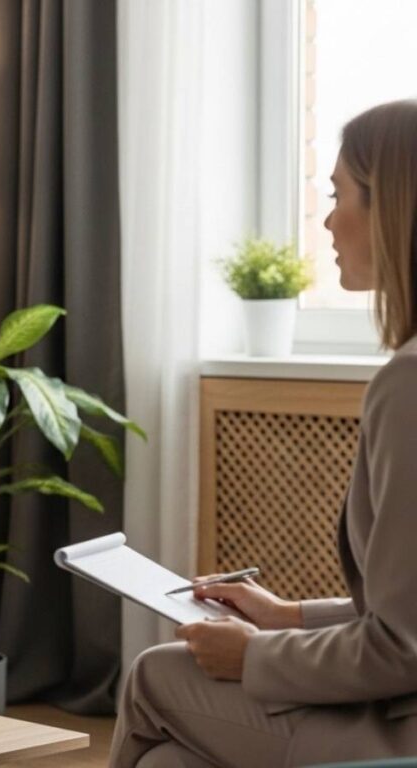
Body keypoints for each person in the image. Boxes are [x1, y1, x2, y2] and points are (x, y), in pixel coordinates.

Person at [111, 100, 417, 767]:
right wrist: (288, 617)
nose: (328, 221)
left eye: (338, 196)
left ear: (393, 208)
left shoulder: (410, 384)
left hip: (404, 731)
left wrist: (255, 654)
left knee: (157, 673)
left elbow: (402, 648)